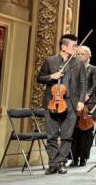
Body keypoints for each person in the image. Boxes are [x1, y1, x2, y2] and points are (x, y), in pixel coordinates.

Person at [37, 34, 86, 175]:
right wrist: (51, 77)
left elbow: (83, 84)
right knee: (51, 135)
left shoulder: (78, 63)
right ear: (64, 47)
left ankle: (61, 162)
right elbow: (40, 78)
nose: (76, 49)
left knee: (67, 135)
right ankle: (52, 163)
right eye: (74, 46)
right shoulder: (50, 61)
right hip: (52, 102)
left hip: (71, 102)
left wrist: (81, 101)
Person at [70, 45, 96, 167]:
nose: (80, 56)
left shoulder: (93, 69)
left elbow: (95, 85)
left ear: (89, 56)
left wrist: (87, 95)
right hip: (75, 102)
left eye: (82, 54)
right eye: (78, 54)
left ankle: (83, 158)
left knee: (86, 131)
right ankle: (74, 158)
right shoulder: (73, 68)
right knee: (74, 131)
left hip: (89, 102)